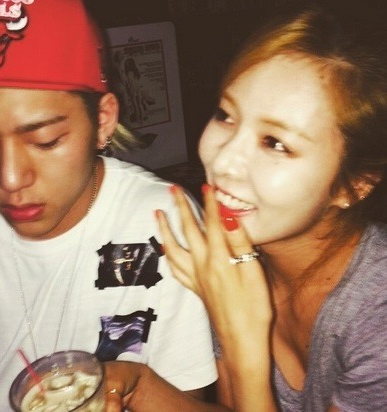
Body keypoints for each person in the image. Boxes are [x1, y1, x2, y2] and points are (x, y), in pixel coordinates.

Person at [104, 4, 387, 411]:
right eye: (226, 116)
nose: (222, 161)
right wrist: (139, 386)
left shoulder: (376, 317)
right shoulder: (233, 259)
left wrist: (243, 342)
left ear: (354, 185)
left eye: (276, 143)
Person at [0, 0, 217, 410]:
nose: (11, 178)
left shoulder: (164, 223)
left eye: (46, 141)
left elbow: (183, 396)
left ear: (103, 121)